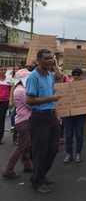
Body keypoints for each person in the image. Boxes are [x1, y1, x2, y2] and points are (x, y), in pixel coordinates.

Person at [25, 49, 63, 193]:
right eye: (47, 58)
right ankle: (37, 181)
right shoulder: (33, 77)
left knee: (53, 148)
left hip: (51, 115)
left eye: (52, 58)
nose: (50, 60)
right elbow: (29, 100)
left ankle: (40, 174)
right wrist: (50, 99)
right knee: (40, 150)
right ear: (39, 60)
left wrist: (55, 66)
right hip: (39, 117)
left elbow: (60, 78)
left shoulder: (49, 75)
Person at [2, 69, 33, 179]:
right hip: (24, 120)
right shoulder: (22, 91)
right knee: (21, 146)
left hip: (22, 120)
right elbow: (30, 105)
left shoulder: (19, 88)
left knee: (26, 145)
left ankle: (27, 165)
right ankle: (9, 170)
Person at [63, 68, 86, 163]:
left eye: (78, 75)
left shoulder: (85, 86)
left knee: (79, 135)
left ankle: (78, 153)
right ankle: (68, 153)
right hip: (68, 115)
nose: (76, 77)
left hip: (80, 115)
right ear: (72, 76)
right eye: (75, 75)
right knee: (68, 135)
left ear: (81, 76)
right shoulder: (66, 86)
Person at [0, 69, 12, 144]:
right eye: (1, 70)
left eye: (4, 70)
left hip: (4, 102)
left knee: (1, 119)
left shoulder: (8, 79)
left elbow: (11, 90)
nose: (3, 71)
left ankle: (0, 137)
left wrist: (10, 101)